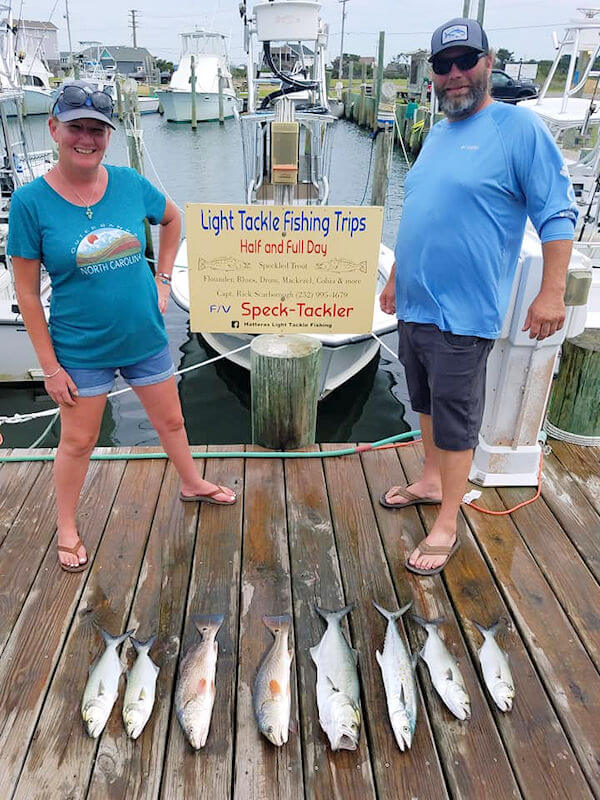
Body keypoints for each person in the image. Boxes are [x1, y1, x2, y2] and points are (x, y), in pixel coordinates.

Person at [8, 80, 236, 573]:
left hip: (144, 336)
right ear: (53, 129)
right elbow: (26, 293)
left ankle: (191, 482)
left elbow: (173, 220)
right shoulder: (29, 202)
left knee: (172, 422)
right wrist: (49, 369)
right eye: (76, 128)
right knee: (78, 442)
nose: (86, 138)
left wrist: (163, 278)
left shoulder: (131, 183)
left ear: (108, 136)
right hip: (80, 348)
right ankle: (66, 526)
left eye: (97, 129)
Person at [379, 19, 577, 576]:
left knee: (458, 418)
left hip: (465, 315)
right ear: (433, 75)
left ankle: (448, 521)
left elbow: (558, 213)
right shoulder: (436, 134)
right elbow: (421, 211)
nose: (454, 73)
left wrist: (551, 293)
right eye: (443, 65)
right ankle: (431, 479)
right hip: (415, 304)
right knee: (424, 400)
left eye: (466, 60)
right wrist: (396, 275)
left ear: (489, 63)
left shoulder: (518, 128)